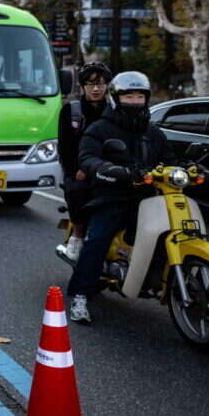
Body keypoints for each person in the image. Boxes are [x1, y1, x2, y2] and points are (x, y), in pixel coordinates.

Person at [67, 71, 175, 325]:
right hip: (112, 194)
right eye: (129, 96)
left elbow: (171, 159)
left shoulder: (154, 132)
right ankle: (81, 294)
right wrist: (106, 168)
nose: (135, 101)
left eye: (140, 96)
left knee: (171, 231)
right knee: (98, 238)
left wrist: (191, 169)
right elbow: (87, 156)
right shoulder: (100, 129)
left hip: (148, 198)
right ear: (116, 98)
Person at [56, 62, 112, 262]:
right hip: (79, 170)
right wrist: (77, 169)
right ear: (82, 86)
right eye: (90, 84)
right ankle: (78, 236)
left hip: (109, 168)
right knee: (78, 190)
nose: (96, 89)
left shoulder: (114, 111)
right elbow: (65, 147)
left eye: (101, 84)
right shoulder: (71, 111)